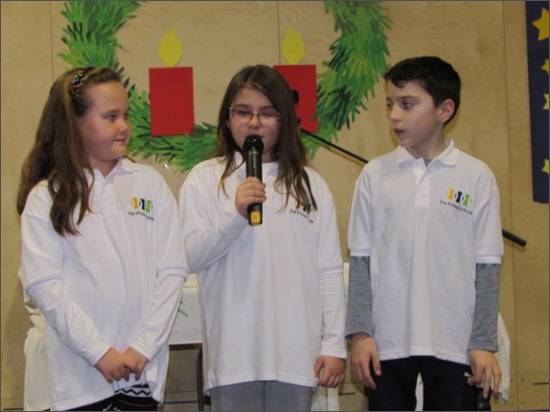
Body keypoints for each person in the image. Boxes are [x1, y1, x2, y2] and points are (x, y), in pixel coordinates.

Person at [17, 67, 188, 411]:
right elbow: (45, 286)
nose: (124, 126)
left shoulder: (149, 183)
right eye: (110, 117)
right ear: (74, 124)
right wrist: (99, 352)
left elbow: (172, 270)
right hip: (79, 376)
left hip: (140, 371)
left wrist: (144, 346)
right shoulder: (47, 196)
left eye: (125, 115)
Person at [178, 64, 346, 411]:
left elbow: (328, 270)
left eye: (267, 113)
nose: (254, 122)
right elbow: (188, 257)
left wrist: (334, 345)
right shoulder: (204, 179)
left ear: (285, 120)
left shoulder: (309, 184)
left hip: (296, 356)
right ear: (227, 119)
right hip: (234, 356)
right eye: (243, 112)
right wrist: (234, 216)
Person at [345, 56, 504, 411]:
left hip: (454, 341)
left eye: (407, 104)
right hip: (387, 342)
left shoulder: (476, 176)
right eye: (390, 104)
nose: (394, 116)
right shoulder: (374, 175)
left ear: (444, 109)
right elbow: (360, 261)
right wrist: (360, 334)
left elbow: (487, 267)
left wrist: (482, 342)